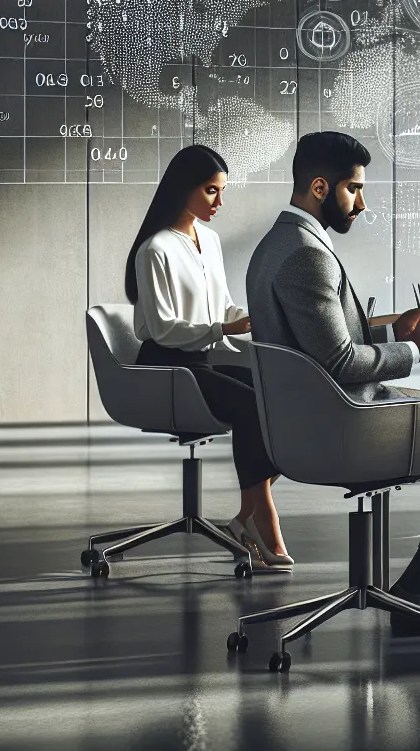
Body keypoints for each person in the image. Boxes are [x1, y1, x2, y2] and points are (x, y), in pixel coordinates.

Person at [244, 131, 420, 626]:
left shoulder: (277, 243)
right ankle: (418, 582)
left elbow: (319, 340)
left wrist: (398, 327)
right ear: (321, 187)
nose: (363, 204)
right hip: (345, 424)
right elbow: (341, 363)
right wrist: (419, 349)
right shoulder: (306, 255)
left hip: (310, 415)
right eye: (355, 189)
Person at [127, 145, 291, 570]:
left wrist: (253, 320)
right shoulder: (155, 249)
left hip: (201, 359)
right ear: (185, 188)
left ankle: (245, 517)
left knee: (279, 395)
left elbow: (222, 308)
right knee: (251, 407)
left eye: (221, 191)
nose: (220, 202)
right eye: (212, 191)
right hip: (166, 365)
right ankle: (262, 520)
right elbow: (163, 328)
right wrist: (222, 329)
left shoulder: (211, 240)